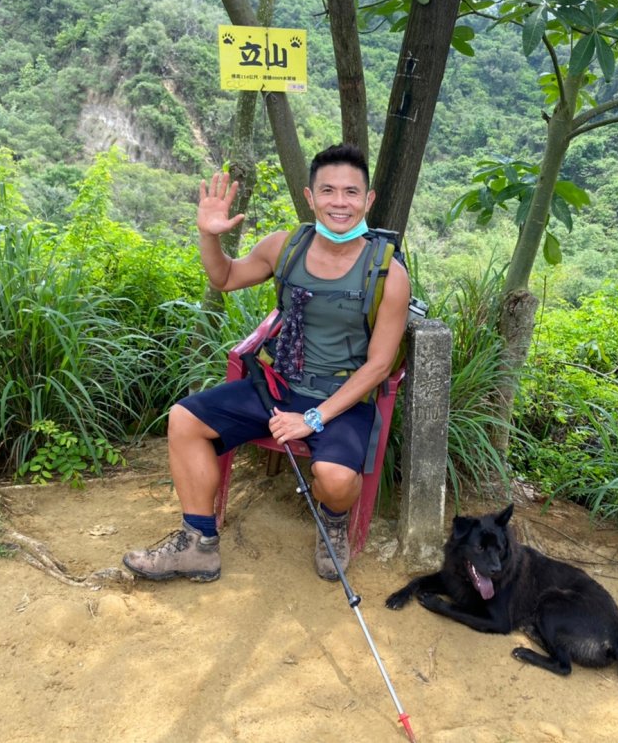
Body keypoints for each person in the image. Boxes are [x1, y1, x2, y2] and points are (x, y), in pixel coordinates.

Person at [123, 144, 410, 583]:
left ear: (368, 201)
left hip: (344, 399)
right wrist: (209, 235)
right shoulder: (285, 247)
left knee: (334, 479)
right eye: (328, 190)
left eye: (351, 192)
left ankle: (332, 522)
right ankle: (198, 544)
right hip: (278, 386)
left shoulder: (388, 274)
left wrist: (311, 419)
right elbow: (224, 277)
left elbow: (377, 367)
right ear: (310, 197)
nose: (339, 201)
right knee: (184, 419)